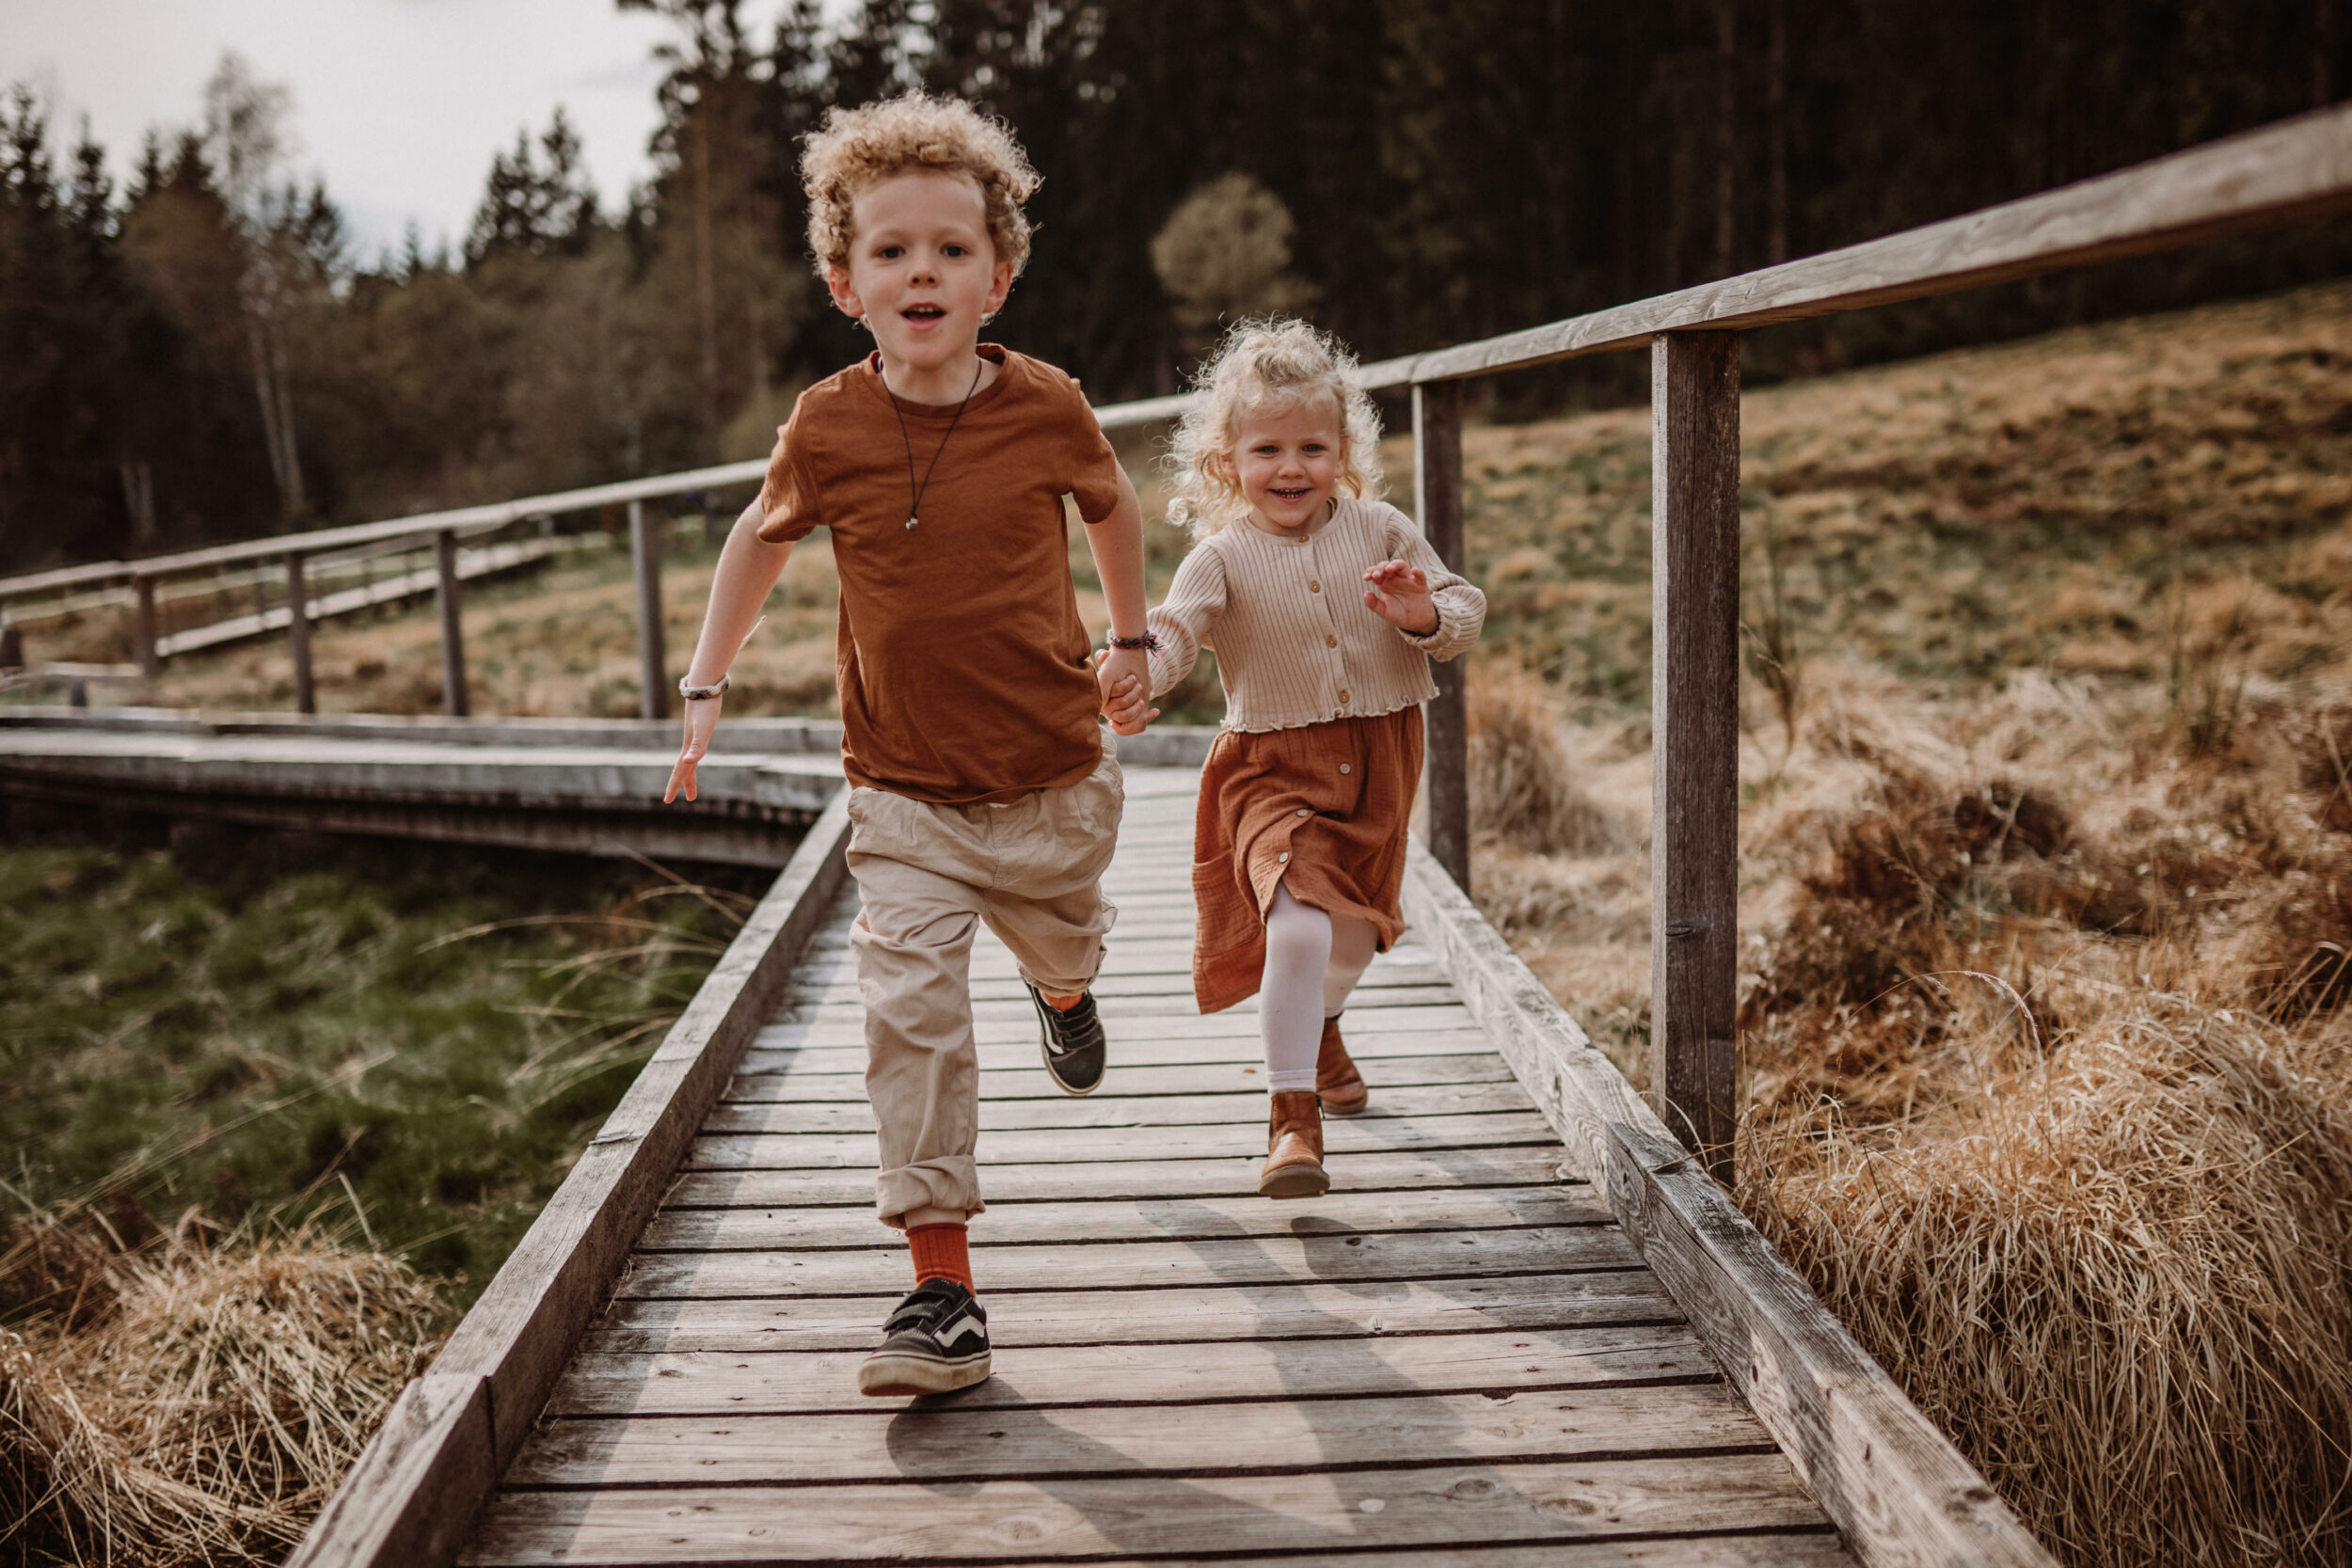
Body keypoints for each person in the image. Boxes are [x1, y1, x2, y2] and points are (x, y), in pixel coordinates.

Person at [662, 93, 1158, 1398]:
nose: (920, 270)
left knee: (1062, 934)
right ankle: (943, 1287)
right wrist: (705, 680)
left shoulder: (1049, 405)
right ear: (846, 282)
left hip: (1053, 773)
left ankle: (1064, 988)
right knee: (912, 1013)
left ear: (999, 274)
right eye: (890, 251)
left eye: (949, 248)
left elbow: (1111, 508)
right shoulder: (826, 425)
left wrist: (1133, 636)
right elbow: (757, 541)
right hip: (900, 794)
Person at [1143, 318, 1486, 1199]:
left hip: (1380, 754)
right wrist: (1135, 668)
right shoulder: (1219, 557)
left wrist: (1418, 614)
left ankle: (1325, 1024)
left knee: (1356, 937)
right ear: (1226, 462)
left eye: (1311, 446)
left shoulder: (1381, 527)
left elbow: (1462, 609)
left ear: (1343, 451)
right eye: (1266, 449)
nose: (1289, 468)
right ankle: (1293, 1120)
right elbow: (1175, 632)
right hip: (1271, 770)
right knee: (1296, 928)